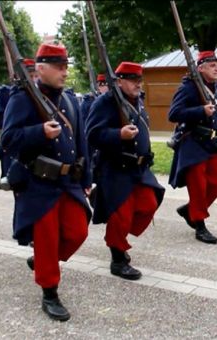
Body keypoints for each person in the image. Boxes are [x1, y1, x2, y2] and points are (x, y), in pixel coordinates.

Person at [0, 44, 91, 322]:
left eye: (66, 66)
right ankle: (49, 292)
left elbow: (80, 141)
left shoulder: (70, 100)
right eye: (59, 66)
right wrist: (39, 132)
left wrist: (87, 178)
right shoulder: (23, 98)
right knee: (48, 239)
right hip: (39, 183)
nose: (65, 71)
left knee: (78, 232)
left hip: (68, 180)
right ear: (41, 68)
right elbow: (8, 140)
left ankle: (42, 261)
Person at [86, 62, 165, 280]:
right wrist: (118, 134)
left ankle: (118, 238)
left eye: (139, 80)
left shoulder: (137, 100)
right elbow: (92, 134)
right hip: (116, 167)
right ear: (119, 81)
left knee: (148, 203)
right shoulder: (105, 102)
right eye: (133, 80)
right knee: (121, 214)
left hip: (139, 167)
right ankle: (117, 256)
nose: (138, 84)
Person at [168, 50, 217, 244]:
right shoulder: (188, 87)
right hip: (192, 143)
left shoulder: (214, 87)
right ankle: (200, 226)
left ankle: (190, 210)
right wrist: (200, 111)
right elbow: (174, 114)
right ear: (200, 68)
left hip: (212, 144)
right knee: (198, 188)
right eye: (212, 65)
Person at [0, 58, 37, 178]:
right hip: (15, 144)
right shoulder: (7, 93)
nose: (33, 80)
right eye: (30, 76)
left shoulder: (41, 96)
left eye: (35, 76)